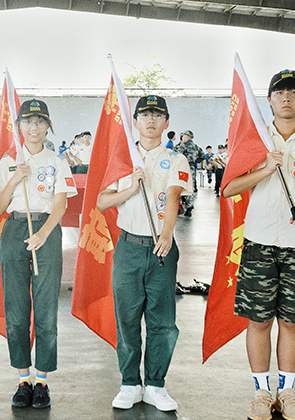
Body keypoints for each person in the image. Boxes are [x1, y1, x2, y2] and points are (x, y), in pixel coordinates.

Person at [222, 69, 295, 420]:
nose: (286, 97)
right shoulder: (255, 140)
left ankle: (287, 392)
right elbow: (228, 188)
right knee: (258, 321)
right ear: (269, 100)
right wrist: (264, 168)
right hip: (259, 242)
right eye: (279, 92)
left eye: (294, 91)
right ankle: (260, 392)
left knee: (291, 322)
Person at [97, 95, 190, 412]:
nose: (151, 120)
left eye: (157, 115)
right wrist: (129, 188)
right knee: (127, 319)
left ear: (166, 123)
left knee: (162, 321)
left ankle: (155, 384)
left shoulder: (176, 159)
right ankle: (129, 383)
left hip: (161, 250)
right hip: (128, 249)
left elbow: (175, 195)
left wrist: (166, 233)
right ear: (134, 121)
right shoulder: (123, 160)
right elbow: (102, 201)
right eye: (144, 115)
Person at [0, 99, 77, 409]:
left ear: (48, 126)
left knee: (46, 310)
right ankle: (23, 378)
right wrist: (14, 179)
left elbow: (62, 203)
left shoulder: (58, 161)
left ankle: (42, 380)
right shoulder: (8, 161)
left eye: (40, 121)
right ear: (19, 127)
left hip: (46, 233)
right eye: (28, 121)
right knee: (16, 309)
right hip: (14, 232)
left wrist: (42, 233)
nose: (34, 127)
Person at [174, 130, 201, 217]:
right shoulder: (196, 147)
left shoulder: (182, 145)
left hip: (183, 168)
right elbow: (203, 156)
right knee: (191, 187)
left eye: (183, 135)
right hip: (192, 168)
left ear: (187, 136)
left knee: (180, 186)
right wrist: (195, 161)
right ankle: (189, 208)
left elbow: (176, 156)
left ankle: (180, 207)